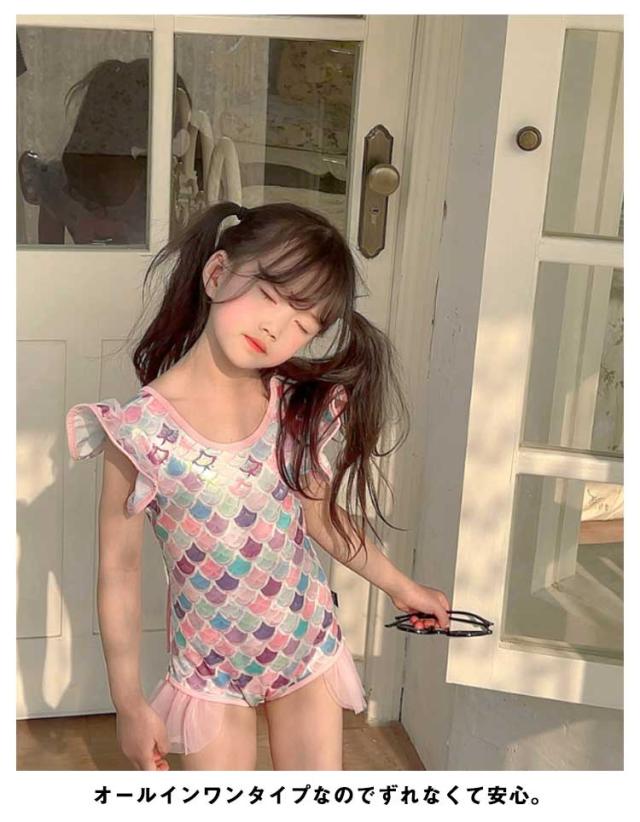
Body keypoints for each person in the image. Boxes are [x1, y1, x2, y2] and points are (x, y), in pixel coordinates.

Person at [66, 200, 451, 771]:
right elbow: (118, 574)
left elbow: (321, 519)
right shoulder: (137, 432)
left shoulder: (291, 409)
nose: (276, 327)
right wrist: (128, 704)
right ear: (217, 273)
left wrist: (402, 586)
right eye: (270, 295)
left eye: (303, 325)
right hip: (210, 672)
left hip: (306, 648)